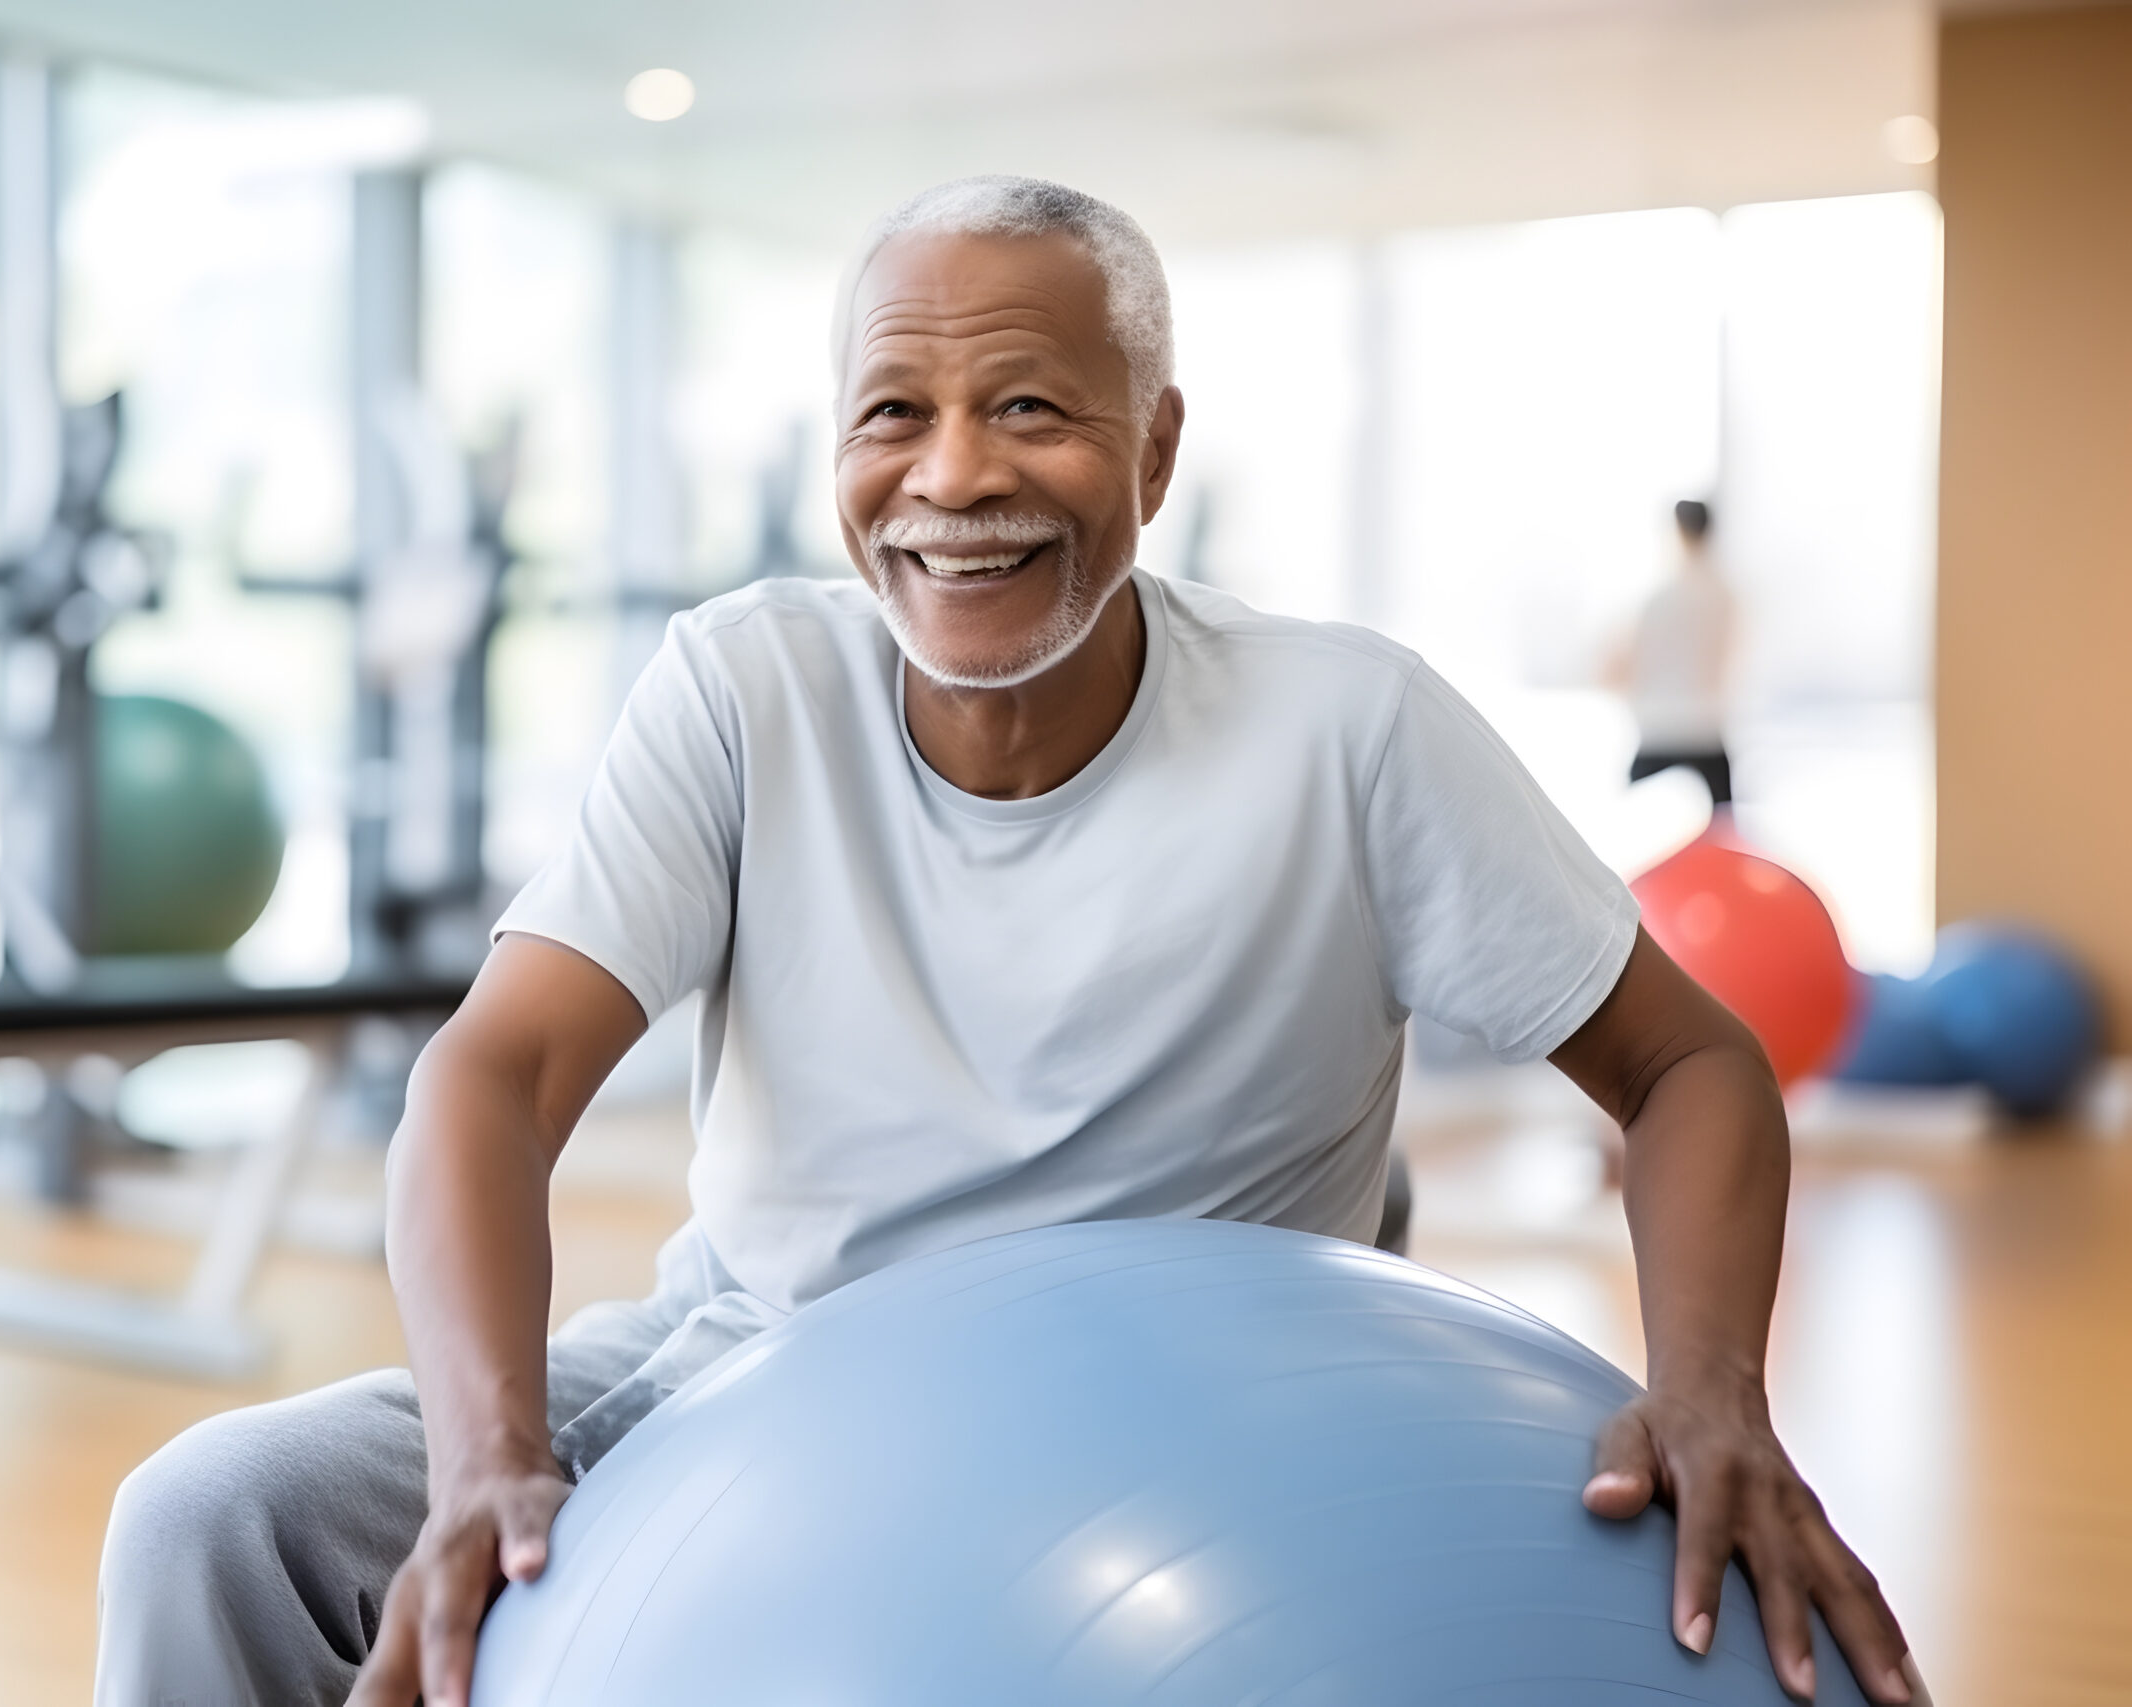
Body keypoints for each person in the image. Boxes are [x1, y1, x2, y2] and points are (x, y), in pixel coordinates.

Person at [94, 177, 1917, 1707]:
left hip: (1217, 1424)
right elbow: (494, 1075)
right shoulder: (744, 688)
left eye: (1032, 408)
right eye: (895, 412)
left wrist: (1710, 1389)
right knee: (211, 1519)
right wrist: (489, 1451)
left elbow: (1686, 1062)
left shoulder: (1348, 727)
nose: (954, 477)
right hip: (763, 1358)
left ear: (1160, 444)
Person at [1614, 498, 1740, 807]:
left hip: (1657, 737)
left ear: (1676, 531)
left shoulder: (1656, 600)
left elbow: (1618, 667)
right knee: (1714, 849)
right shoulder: (1726, 597)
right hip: (1707, 738)